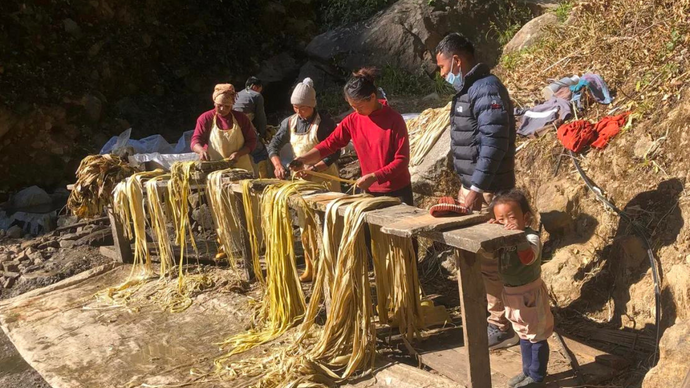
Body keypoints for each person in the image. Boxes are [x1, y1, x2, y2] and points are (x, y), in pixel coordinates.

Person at [436, 33, 518, 349]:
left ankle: (503, 326)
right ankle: (492, 319)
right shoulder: (469, 89)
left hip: (489, 192)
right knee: (474, 260)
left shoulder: (487, 89)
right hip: (473, 187)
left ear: (457, 60)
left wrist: (475, 187)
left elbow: (493, 144)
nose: (443, 75)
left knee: (489, 262)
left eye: (443, 67)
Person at [289, 68, 412, 206]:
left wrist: (374, 176)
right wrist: (302, 159)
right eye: (352, 106)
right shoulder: (353, 120)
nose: (356, 111)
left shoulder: (395, 120)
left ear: (372, 97)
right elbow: (330, 144)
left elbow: (402, 160)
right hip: (369, 191)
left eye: (359, 106)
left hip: (397, 191)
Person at [488, 190, 553, 388]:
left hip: (530, 295)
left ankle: (537, 376)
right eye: (500, 219)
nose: (506, 222)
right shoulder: (504, 237)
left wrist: (517, 235)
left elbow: (527, 258)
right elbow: (490, 255)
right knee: (523, 333)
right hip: (511, 294)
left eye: (511, 217)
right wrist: (492, 233)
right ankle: (527, 371)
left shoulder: (530, 237)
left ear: (525, 217)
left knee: (537, 335)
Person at [267, 77, 341, 193]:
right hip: (301, 178)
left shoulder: (324, 123)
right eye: (295, 107)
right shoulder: (289, 123)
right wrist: (278, 166)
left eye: (302, 108)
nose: (298, 112)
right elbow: (273, 146)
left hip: (325, 178)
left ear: (311, 105)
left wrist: (314, 170)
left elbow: (335, 152)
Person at [190, 83, 257, 172]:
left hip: (241, 168)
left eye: (227, 106)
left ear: (232, 104)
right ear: (214, 103)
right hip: (214, 168)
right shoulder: (206, 118)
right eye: (219, 105)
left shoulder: (241, 118)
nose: (223, 109)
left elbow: (252, 141)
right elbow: (195, 140)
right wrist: (201, 150)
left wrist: (239, 153)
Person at [234, 77, 271, 177]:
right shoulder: (257, 96)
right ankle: (265, 180)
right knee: (261, 152)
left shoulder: (238, 94)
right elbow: (260, 117)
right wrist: (263, 134)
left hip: (232, 129)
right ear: (255, 87)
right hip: (244, 125)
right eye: (260, 88)